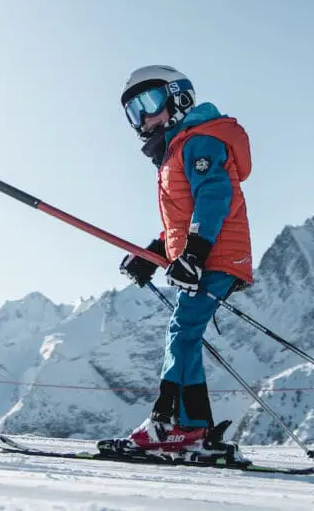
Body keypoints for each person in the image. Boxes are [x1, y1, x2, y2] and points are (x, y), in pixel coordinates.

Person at [101, 65, 254, 461]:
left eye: (149, 103)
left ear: (179, 97)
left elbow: (214, 197)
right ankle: (191, 427)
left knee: (182, 330)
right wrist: (152, 255)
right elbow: (181, 221)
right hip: (208, 254)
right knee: (182, 331)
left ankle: (175, 426)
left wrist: (194, 255)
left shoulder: (199, 141)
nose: (143, 118)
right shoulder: (176, 151)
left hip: (215, 255)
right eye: (133, 111)